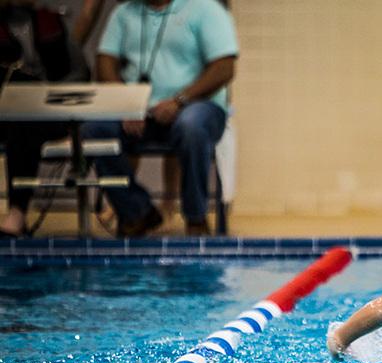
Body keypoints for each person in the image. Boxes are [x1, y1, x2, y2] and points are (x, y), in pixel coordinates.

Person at [81, 0, 237, 237]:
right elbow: (105, 61)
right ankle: (137, 212)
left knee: (191, 126)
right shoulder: (124, 13)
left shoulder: (205, 8)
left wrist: (179, 101)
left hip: (196, 106)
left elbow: (224, 67)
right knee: (94, 129)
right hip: (139, 111)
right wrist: (127, 102)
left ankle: (195, 218)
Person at [0, 0, 88, 238]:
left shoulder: (52, 23)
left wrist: (50, 93)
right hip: (4, 111)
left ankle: (17, 212)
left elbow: (79, 74)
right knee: (20, 112)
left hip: (46, 114)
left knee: (25, 120)